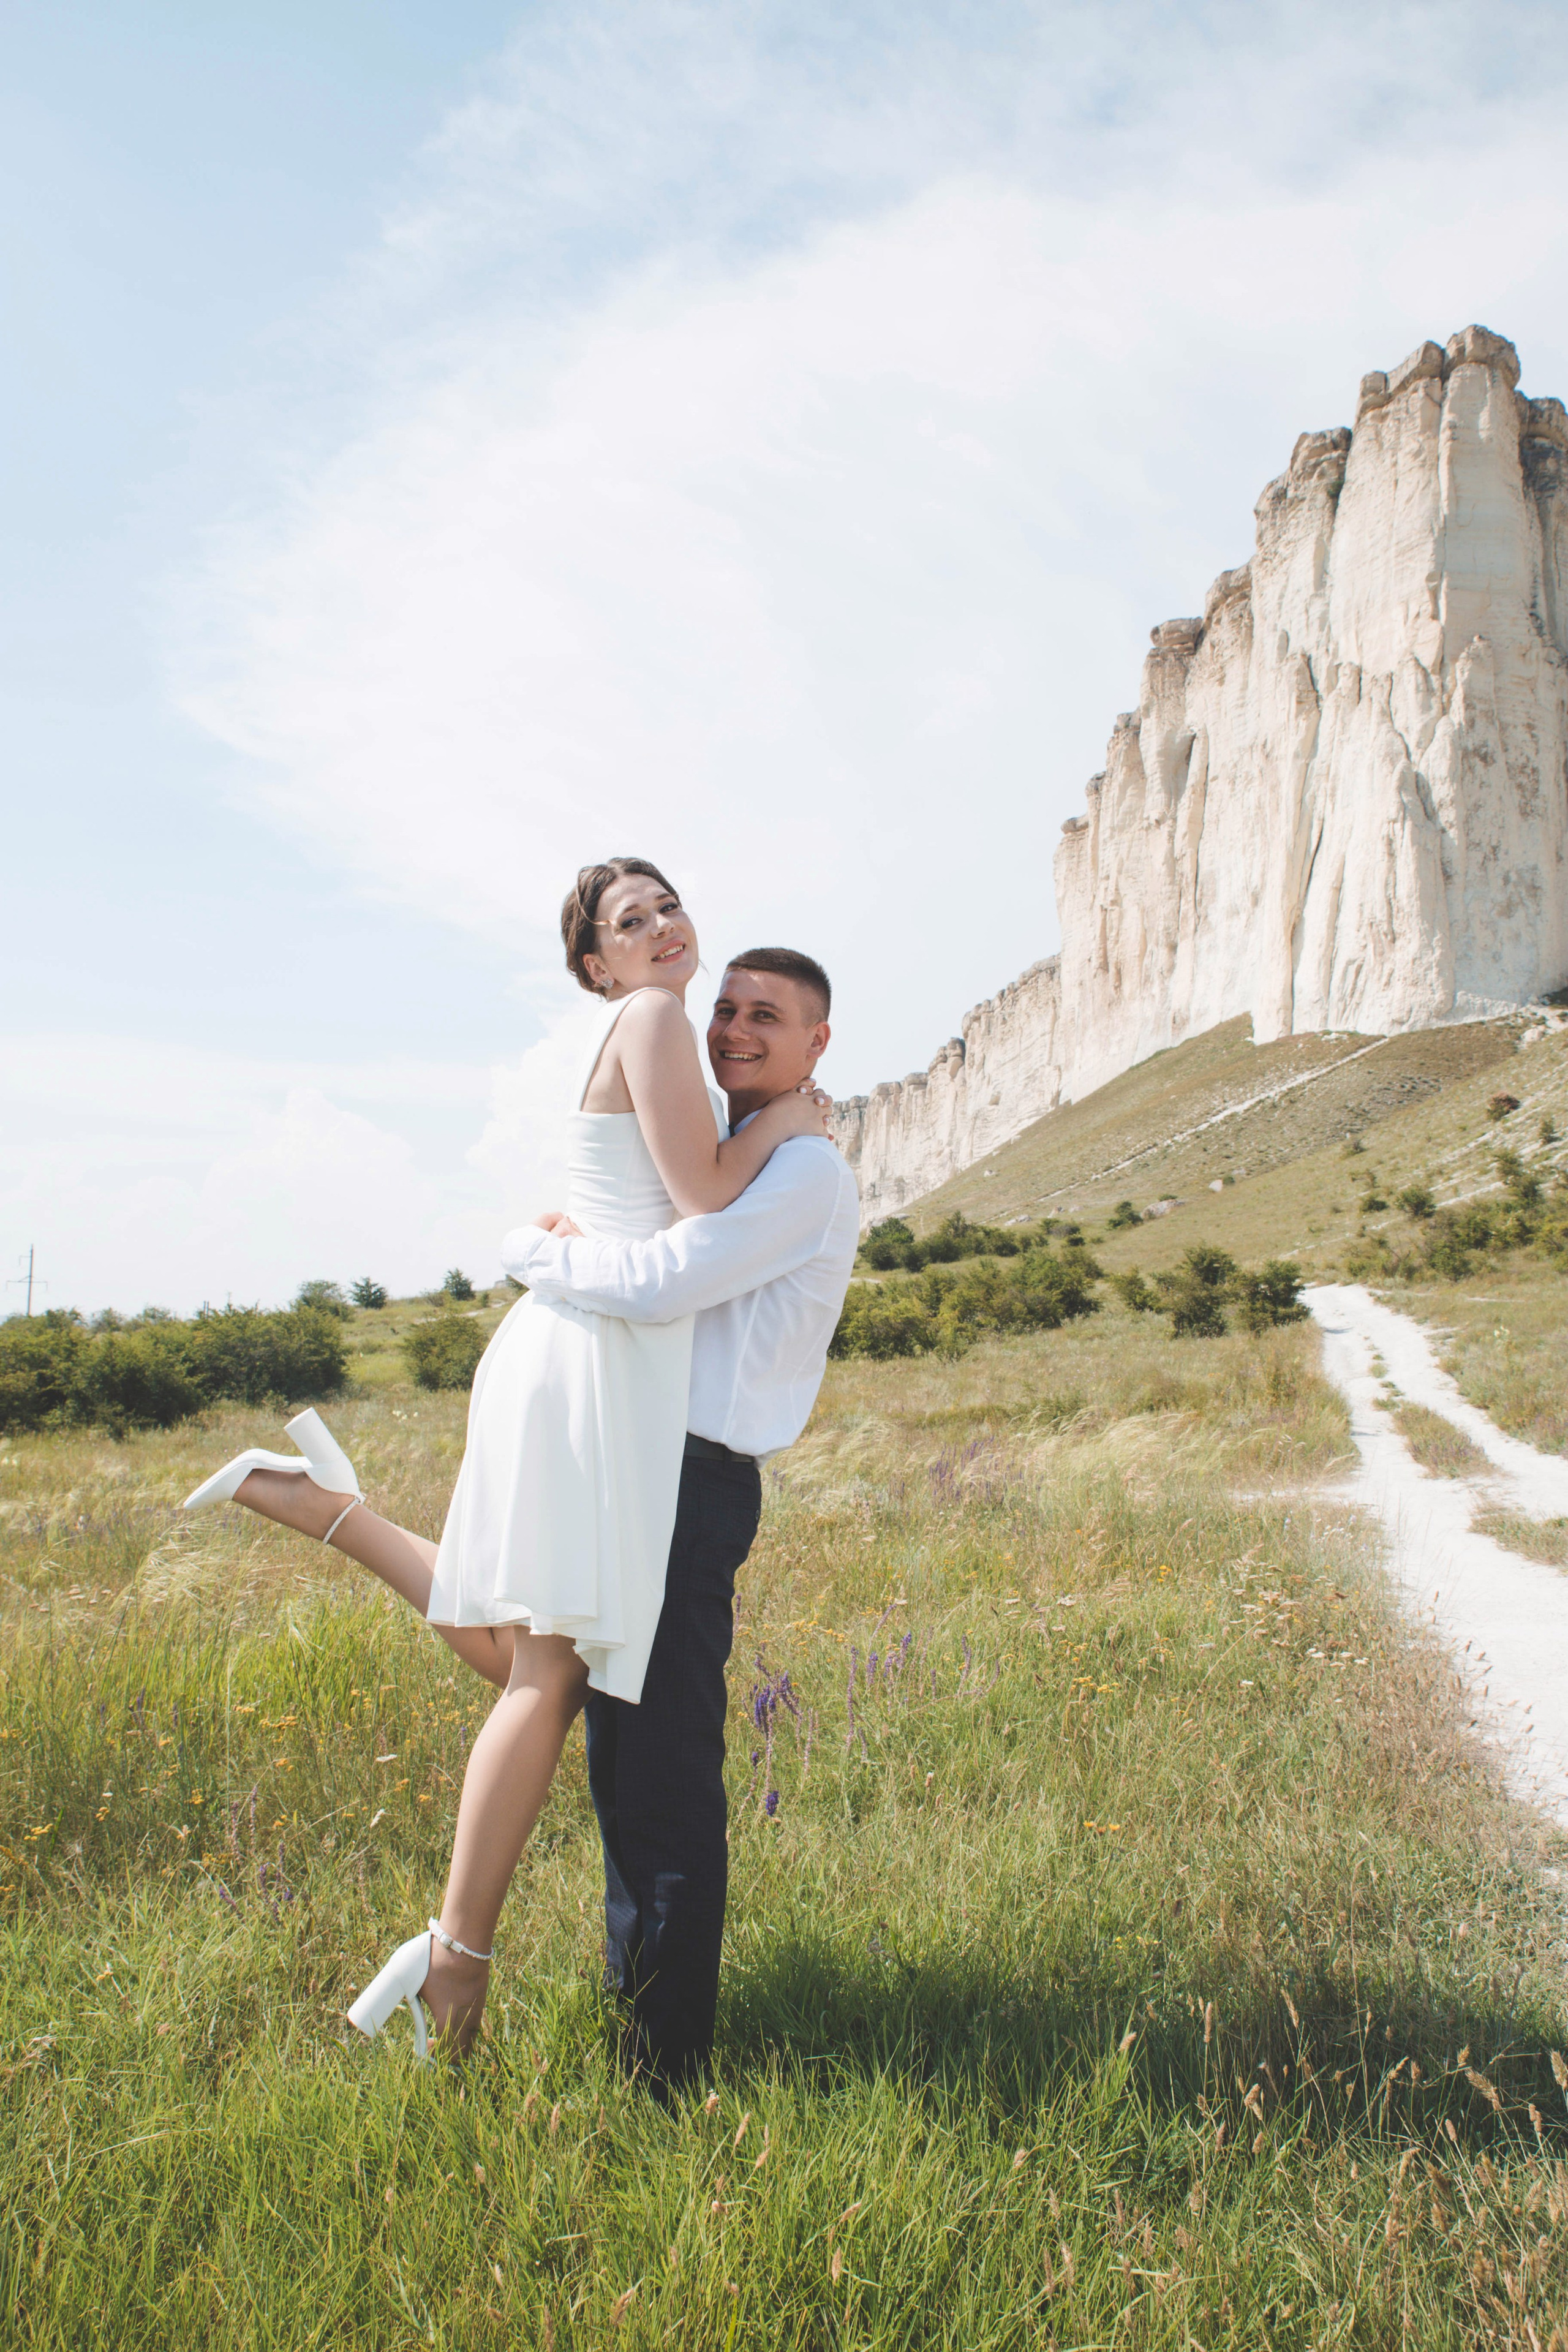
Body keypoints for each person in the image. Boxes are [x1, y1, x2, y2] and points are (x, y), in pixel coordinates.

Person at [183, 858, 831, 2060]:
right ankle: (454, 1959)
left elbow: (652, 1196)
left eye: (668, 904)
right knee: (543, 1674)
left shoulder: (666, 1034)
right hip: (592, 1358)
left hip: (590, 1355)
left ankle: (333, 1513)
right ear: (598, 966)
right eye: (630, 922)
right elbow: (695, 1198)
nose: (662, 929)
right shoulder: (650, 1018)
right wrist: (789, 1119)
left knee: (531, 1654)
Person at [509, 943, 860, 2092]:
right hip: (646, 1470)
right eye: (728, 1010)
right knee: (619, 1757)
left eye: (770, 1016)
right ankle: (641, 2026)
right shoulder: (745, 1156)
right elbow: (664, 1251)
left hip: (693, 1484)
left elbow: (663, 1283)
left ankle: (663, 2073)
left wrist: (531, 1254)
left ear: (818, 1046)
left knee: (660, 1777)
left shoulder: (804, 1173)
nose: (736, 1029)